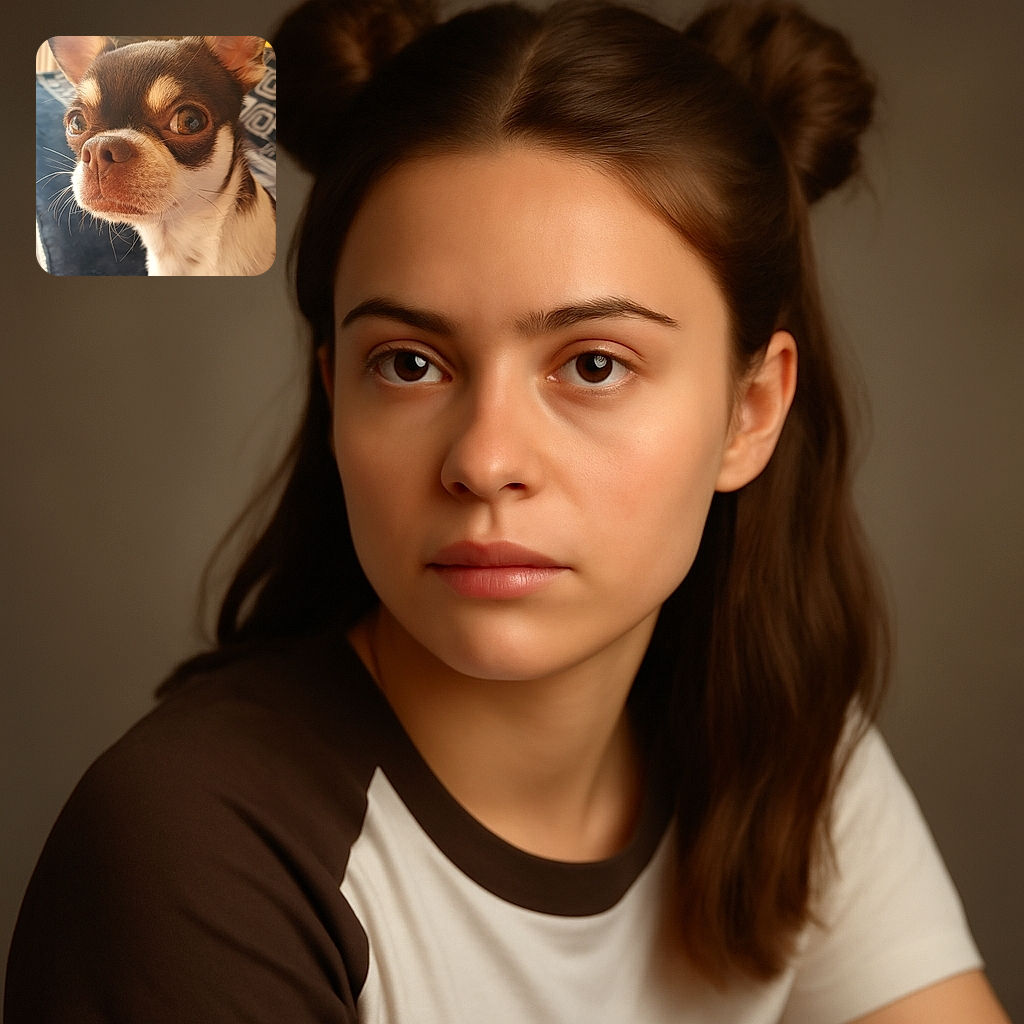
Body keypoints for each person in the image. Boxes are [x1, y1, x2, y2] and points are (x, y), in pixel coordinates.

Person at [4, 0, 1011, 1021]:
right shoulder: (199, 845)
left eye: (593, 364)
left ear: (749, 412)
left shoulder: (782, 748)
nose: (484, 461)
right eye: (407, 364)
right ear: (333, 389)